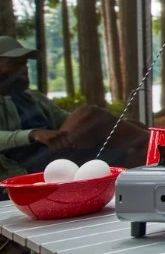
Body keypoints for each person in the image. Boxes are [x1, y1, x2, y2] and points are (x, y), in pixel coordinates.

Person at [0, 35, 150, 186]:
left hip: (58, 151)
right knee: (90, 114)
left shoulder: (33, 98)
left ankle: (157, 149)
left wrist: (103, 127)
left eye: (24, 64)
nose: (23, 69)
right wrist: (32, 134)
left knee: (133, 141)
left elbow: (68, 120)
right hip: (27, 164)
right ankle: (162, 143)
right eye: (14, 64)